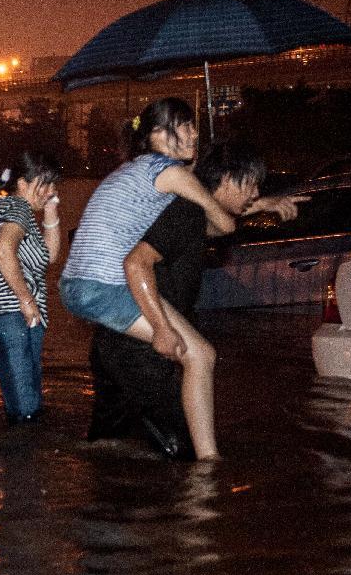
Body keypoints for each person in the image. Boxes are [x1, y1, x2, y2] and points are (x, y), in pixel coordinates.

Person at [88, 139, 308, 458]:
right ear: (229, 178)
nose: (256, 193)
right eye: (252, 185)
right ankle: (205, 486)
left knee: (106, 450)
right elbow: (135, 263)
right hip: (135, 352)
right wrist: (163, 328)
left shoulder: (189, 210)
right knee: (181, 451)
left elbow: (203, 231)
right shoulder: (184, 210)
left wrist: (259, 207)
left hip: (115, 344)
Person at [60, 97, 239, 461]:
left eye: (193, 125)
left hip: (75, 284)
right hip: (105, 286)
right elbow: (222, 223)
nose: (194, 133)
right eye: (184, 125)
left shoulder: (129, 171)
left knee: (189, 357)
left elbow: (185, 222)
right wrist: (161, 329)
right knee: (201, 356)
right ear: (157, 133)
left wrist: (256, 205)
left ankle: (136, 438)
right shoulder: (171, 173)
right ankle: (209, 464)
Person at [0, 151, 61, 425]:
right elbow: (4, 251)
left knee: (26, 410)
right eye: (45, 183)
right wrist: (26, 300)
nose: (52, 190)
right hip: (12, 319)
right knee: (26, 414)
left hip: (16, 322)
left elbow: (49, 256)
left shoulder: (11, 210)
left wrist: (50, 212)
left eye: (53, 184)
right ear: (23, 184)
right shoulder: (18, 208)